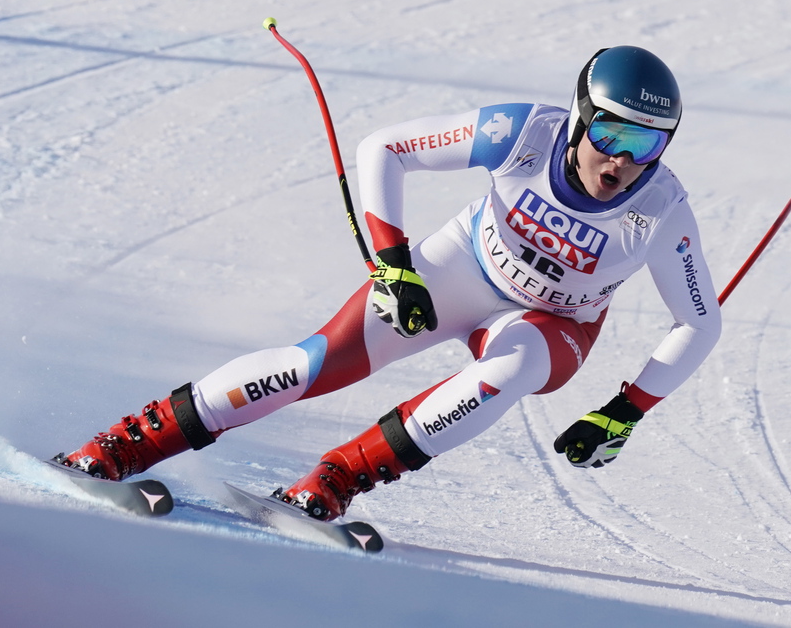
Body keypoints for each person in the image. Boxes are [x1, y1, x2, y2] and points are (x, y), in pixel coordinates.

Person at [58, 46, 722, 521]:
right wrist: (393, 260)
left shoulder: (661, 210)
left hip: (554, 324)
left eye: (647, 145)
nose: (621, 162)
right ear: (580, 119)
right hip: (460, 267)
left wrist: (625, 410)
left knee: (511, 366)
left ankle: (337, 476)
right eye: (609, 134)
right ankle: (122, 445)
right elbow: (386, 148)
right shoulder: (524, 133)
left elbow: (698, 322)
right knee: (306, 365)